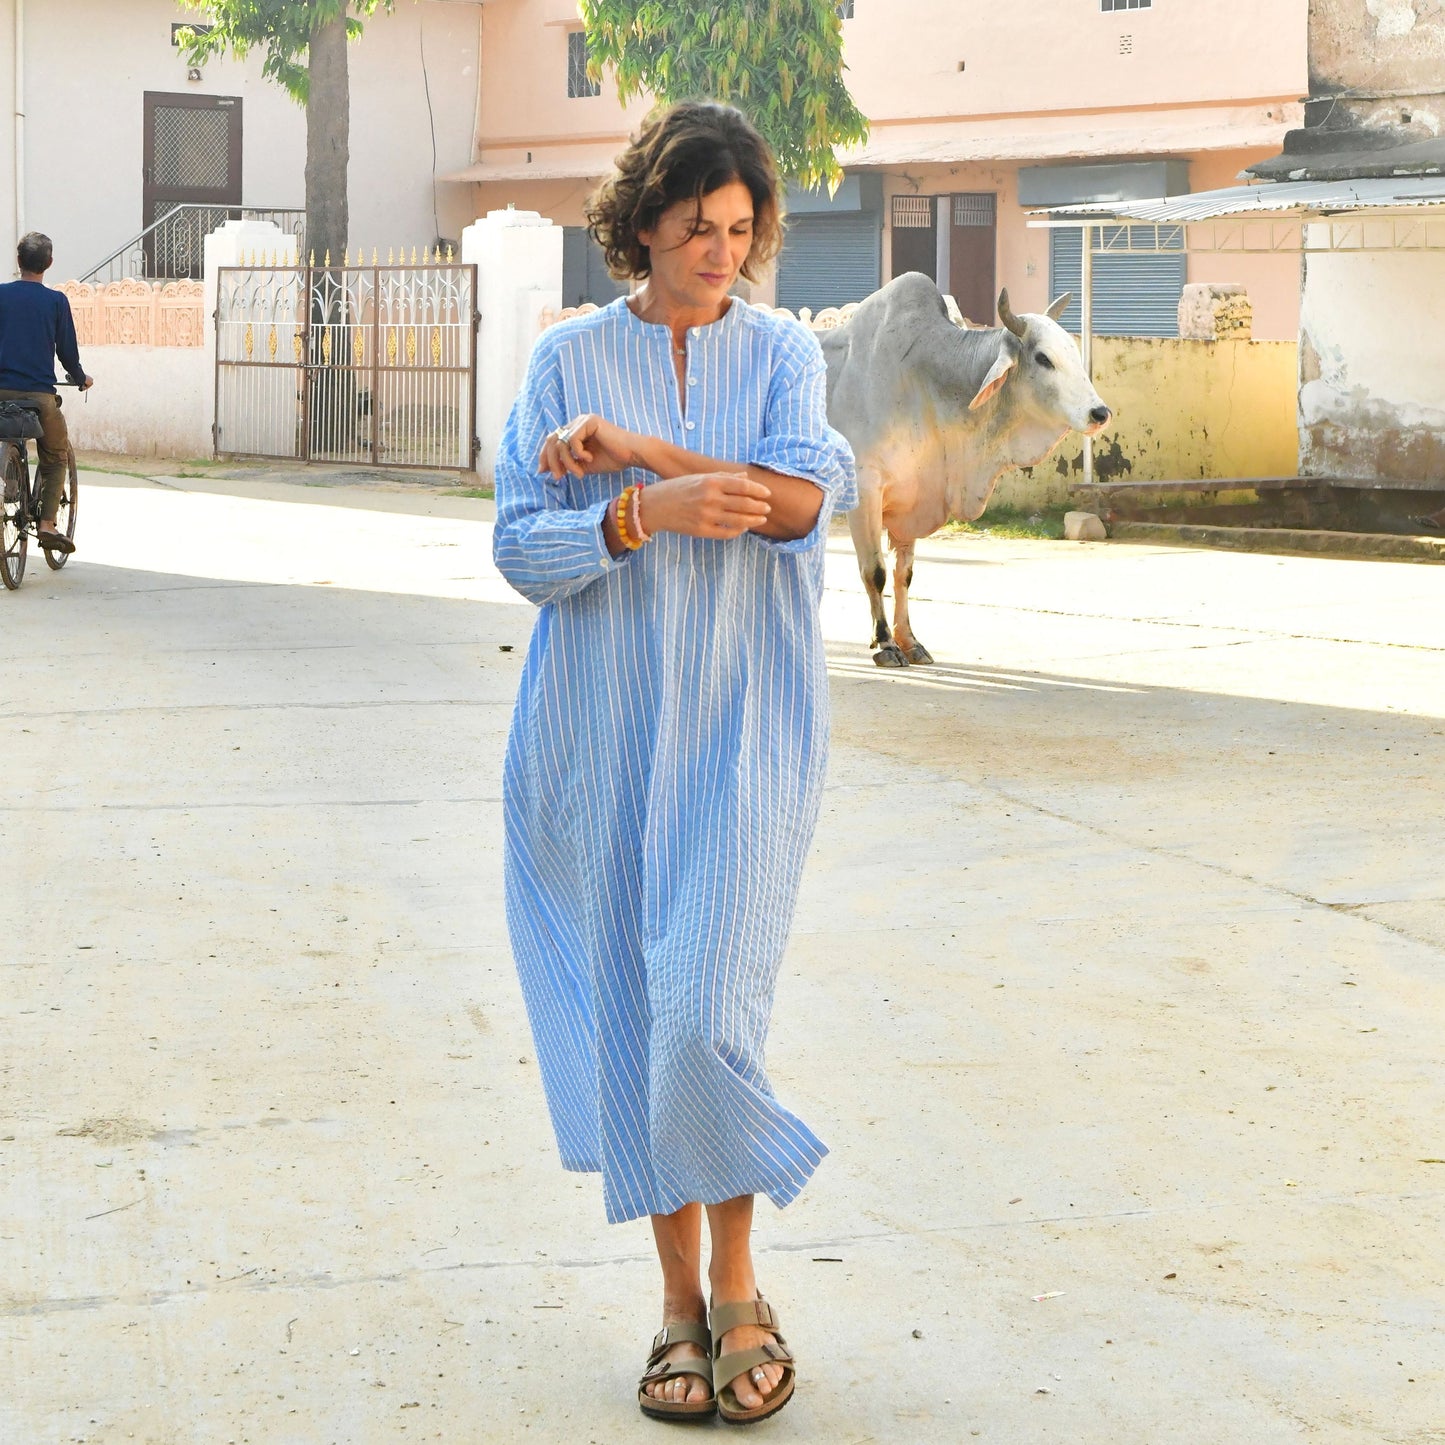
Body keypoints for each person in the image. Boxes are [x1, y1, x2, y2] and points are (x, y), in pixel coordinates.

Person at [491, 101, 856, 1426]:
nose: (722, 251)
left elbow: (801, 501)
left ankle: (743, 1276)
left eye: (741, 229)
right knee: (636, 1024)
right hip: (597, 739)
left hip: (748, 740)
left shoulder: (779, 357)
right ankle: (679, 1306)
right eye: (697, 226)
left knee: (709, 1014)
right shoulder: (563, 360)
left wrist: (648, 455)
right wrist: (635, 519)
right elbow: (523, 548)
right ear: (642, 222)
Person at [0, 231, 92, 553]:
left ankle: (9, 481)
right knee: (55, 454)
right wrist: (80, 378)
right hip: (38, 398)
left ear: (18, 260)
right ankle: (47, 523)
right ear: (49, 263)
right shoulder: (55, 302)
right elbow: (67, 352)